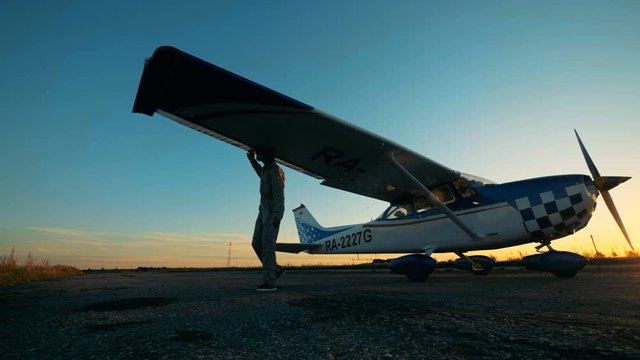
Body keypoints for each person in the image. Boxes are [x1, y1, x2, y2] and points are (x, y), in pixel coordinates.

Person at [247, 146, 286, 291]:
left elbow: (279, 196)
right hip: (262, 210)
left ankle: (270, 282)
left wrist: (277, 215)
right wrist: (251, 160)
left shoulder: (275, 171)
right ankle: (274, 269)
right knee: (256, 242)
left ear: (266, 154)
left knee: (268, 245)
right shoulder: (266, 170)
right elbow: (260, 173)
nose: (257, 153)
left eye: (259, 152)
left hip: (272, 212)